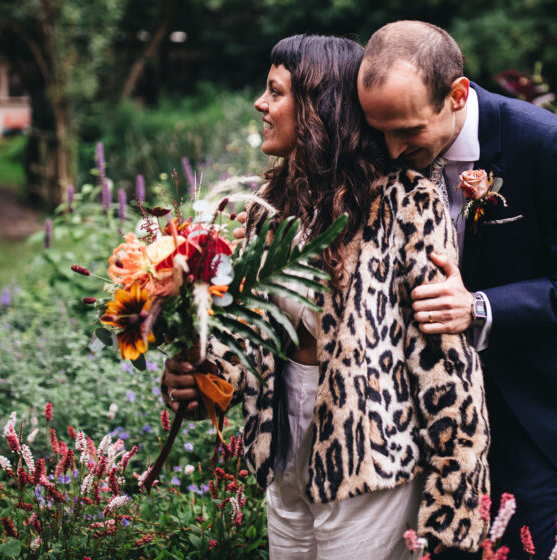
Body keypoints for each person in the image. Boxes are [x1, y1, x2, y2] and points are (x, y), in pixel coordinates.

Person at [161, 34, 491, 559]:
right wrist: (199, 376)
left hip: (370, 461)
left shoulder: (408, 204)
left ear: (319, 106)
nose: (260, 104)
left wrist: (455, 494)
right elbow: (244, 334)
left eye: (275, 92)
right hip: (283, 450)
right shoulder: (264, 210)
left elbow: (445, 363)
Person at [357, 21, 557, 558]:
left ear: (457, 95)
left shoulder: (545, 143)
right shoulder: (384, 146)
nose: (391, 149)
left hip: (535, 408)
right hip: (433, 415)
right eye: (379, 131)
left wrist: (477, 307)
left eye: (407, 131)